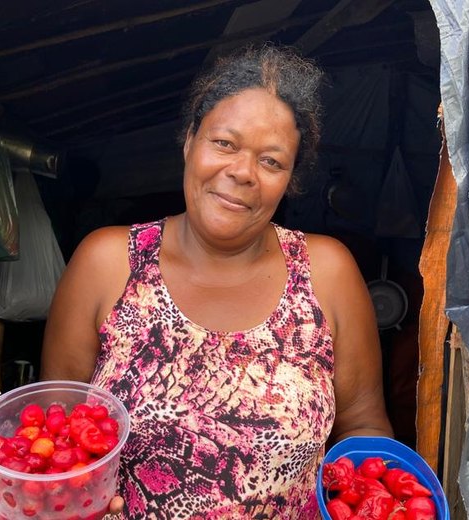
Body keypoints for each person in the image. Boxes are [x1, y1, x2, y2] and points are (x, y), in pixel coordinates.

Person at [41, 43, 393, 519]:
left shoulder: (326, 272)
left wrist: (379, 501)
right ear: (189, 140)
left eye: (270, 161)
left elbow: (364, 425)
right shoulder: (108, 263)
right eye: (224, 143)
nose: (242, 172)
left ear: (290, 179)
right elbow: (51, 435)